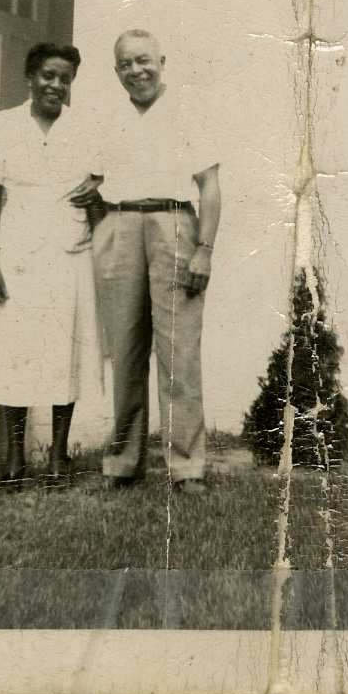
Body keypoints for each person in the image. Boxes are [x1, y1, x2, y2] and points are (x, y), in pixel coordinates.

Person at [73, 29, 221, 495]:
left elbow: (210, 188)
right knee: (126, 350)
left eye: (143, 60)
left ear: (161, 60)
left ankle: (187, 466)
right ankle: (122, 462)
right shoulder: (107, 115)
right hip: (119, 226)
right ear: (115, 70)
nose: (135, 71)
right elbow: (91, 180)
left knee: (178, 350)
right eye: (124, 64)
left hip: (173, 225)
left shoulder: (187, 110)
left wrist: (205, 248)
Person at [0, 42, 99, 489]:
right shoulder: (0, 125)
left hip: (69, 253)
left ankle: (58, 457)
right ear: (30, 78)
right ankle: (13, 459)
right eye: (49, 75)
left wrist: (98, 190)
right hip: (18, 257)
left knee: (64, 355)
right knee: (14, 353)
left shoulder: (85, 129)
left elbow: (103, 182)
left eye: (65, 78)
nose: (56, 85)